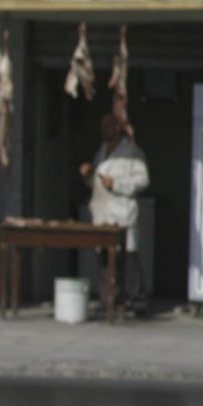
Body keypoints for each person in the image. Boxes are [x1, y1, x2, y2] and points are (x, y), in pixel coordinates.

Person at [80, 112, 150, 314]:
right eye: (102, 127)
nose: (103, 130)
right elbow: (96, 183)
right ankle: (109, 300)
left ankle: (136, 301)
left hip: (122, 212)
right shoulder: (101, 152)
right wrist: (87, 175)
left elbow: (143, 180)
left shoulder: (132, 152)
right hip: (102, 212)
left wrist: (117, 184)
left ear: (117, 128)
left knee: (127, 259)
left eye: (108, 126)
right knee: (104, 259)